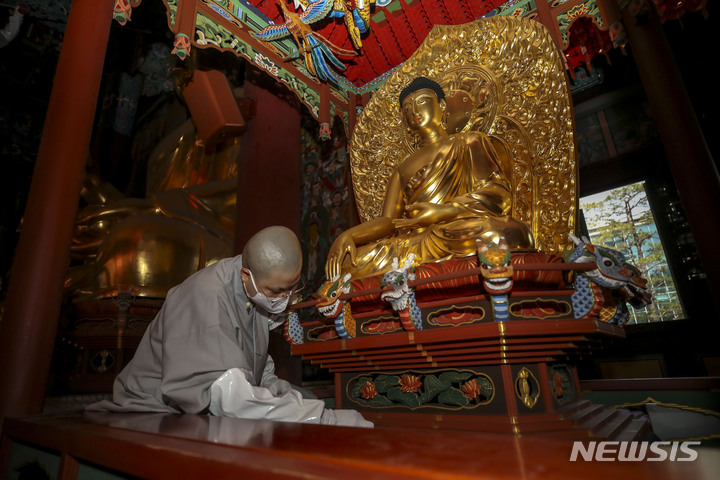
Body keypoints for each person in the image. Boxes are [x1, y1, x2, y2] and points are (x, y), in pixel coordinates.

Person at [88, 225, 372, 428]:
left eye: (291, 290)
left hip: (209, 407)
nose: (283, 300)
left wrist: (293, 396)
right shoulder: (206, 297)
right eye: (276, 292)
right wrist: (323, 418)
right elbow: (232, 398)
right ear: (246, 274)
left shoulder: (251, 292)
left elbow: (254, 372)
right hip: (150, 416)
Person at [325, 77, 534, 280]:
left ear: (442, 106)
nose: (414, 111)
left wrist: (443, 211)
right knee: (348, 264)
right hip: (416, 242)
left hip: (457, 231)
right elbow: (389, 222)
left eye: (423, 102)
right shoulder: (403, 168)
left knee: (499, 234)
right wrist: (349, 236)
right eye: (407, 109)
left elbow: (499, 193)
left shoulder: (468, 141)